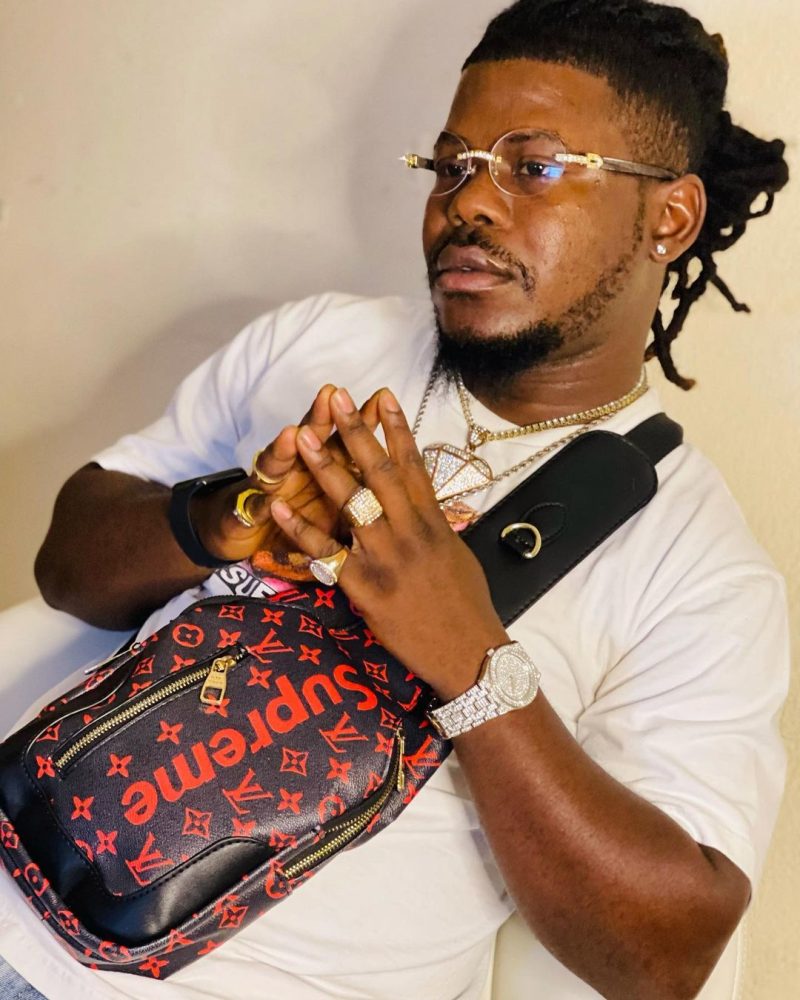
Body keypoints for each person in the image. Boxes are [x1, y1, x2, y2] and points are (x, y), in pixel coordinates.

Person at [0, 1, 791, 998]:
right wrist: (233, 516)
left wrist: (469, 658)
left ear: (667, 218)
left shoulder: (699, 567)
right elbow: (65, 566)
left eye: (533, 166)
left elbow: (667, 956)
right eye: (452, 165)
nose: (470, 203)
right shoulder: (320, 342)